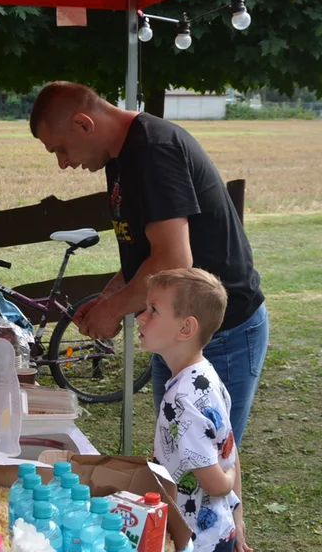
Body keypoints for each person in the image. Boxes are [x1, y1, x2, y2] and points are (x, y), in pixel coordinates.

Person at [29, 82, 267, 446]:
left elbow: (174, 260)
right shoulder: (121, 157)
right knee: (175, 456)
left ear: (83, 123)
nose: (63, 163)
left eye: (60, 149)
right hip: (175, 330)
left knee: (208, 467)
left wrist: (112, 311)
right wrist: (111, 295)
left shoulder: (153, 151)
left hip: (219, 333)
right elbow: (145, 253)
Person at [137, 268, 250, 552]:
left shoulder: (182, 401)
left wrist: (228, 481)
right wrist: (238, 520)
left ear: (185, 328)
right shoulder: (206, 376)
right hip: (218, 530)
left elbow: (216, 482)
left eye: (153, 310)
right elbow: (229, 449)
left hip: (198, 541)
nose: (141, 316)